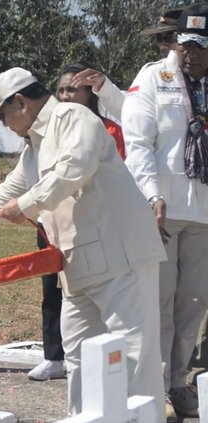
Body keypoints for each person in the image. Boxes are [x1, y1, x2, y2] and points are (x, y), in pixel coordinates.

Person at [0, 67, 167, 421]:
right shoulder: (34, 146)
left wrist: (28, 205)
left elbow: (74, 168)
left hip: (123, 258)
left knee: (136, 357)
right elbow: (6, 194)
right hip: (77, 265)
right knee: (79, 359)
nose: (3, 124)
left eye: (2, 115)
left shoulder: (73, 117)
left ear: (20, 102)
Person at [121, 4, 208, 420]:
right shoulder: (155, 77)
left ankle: (179, 380)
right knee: (160, 302)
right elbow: (138, 144)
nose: (190, 53)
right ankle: (153, 386)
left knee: (193, 302)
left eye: (201, 46)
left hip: (205, 215)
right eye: (187, 43)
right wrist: (151, 195)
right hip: (164, 211)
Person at [27, 63, 126, 382]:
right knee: (52, 289)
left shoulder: (108, 129)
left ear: (90, 93)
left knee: (93, 295)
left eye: (73, 89)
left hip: (94, 226)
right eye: (61, 89)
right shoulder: (47, 132)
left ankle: (107, 356)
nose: (66, 95)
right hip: (52, 223)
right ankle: (54, 355)